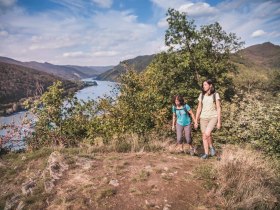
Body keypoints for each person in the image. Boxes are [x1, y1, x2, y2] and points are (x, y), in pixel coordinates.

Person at [194, 79, 221, 159]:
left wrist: (219, 122)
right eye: (203, 85)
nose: (204, 86)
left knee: (207, 134)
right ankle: (206, 154)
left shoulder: (215, 95)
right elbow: (199, 108)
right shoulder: (201, 95)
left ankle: (211, 147)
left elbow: (219, 108)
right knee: (204, 135)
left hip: (213, 117)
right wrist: (196, 120)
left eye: (205, 85)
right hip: (203, 118)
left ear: (210, 85)